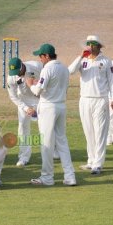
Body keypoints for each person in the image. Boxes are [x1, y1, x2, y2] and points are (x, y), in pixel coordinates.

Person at [26, 43, 76, 186]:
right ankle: (70, 176)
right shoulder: (64, 69)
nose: (40, 59)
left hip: (49, 108)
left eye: (41, 56)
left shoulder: (47, 69)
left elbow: (37, 91)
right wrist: (38, 84)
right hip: (61, 106)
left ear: (47, 56)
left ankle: (47, 177)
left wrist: (30, 84)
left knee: (46, 143)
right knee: (62, 142)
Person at [69, 35, 113, 174]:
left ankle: (98, 164)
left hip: (100, 99)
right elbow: (70, 71)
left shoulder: (106, 61)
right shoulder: (83, 60)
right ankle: (91, 161)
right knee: (88, 131)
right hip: (84, 100)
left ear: (98, 46)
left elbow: (112, 81)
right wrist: (80, 56)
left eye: (92, 44)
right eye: (88, 44)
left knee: (99, 132)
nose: (90, 46)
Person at [6, 57, 42, 167]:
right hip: (23, 100)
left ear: (22, 65)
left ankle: (52, 151)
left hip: (39, 98)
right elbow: (13, 97)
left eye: (18, 71)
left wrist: (40, 85)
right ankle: (24, 157)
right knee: (22, 126)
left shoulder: (36, 66)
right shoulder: (11, 78)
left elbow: (48, 78)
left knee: (45, 126)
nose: (17, 74)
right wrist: (26, 108)